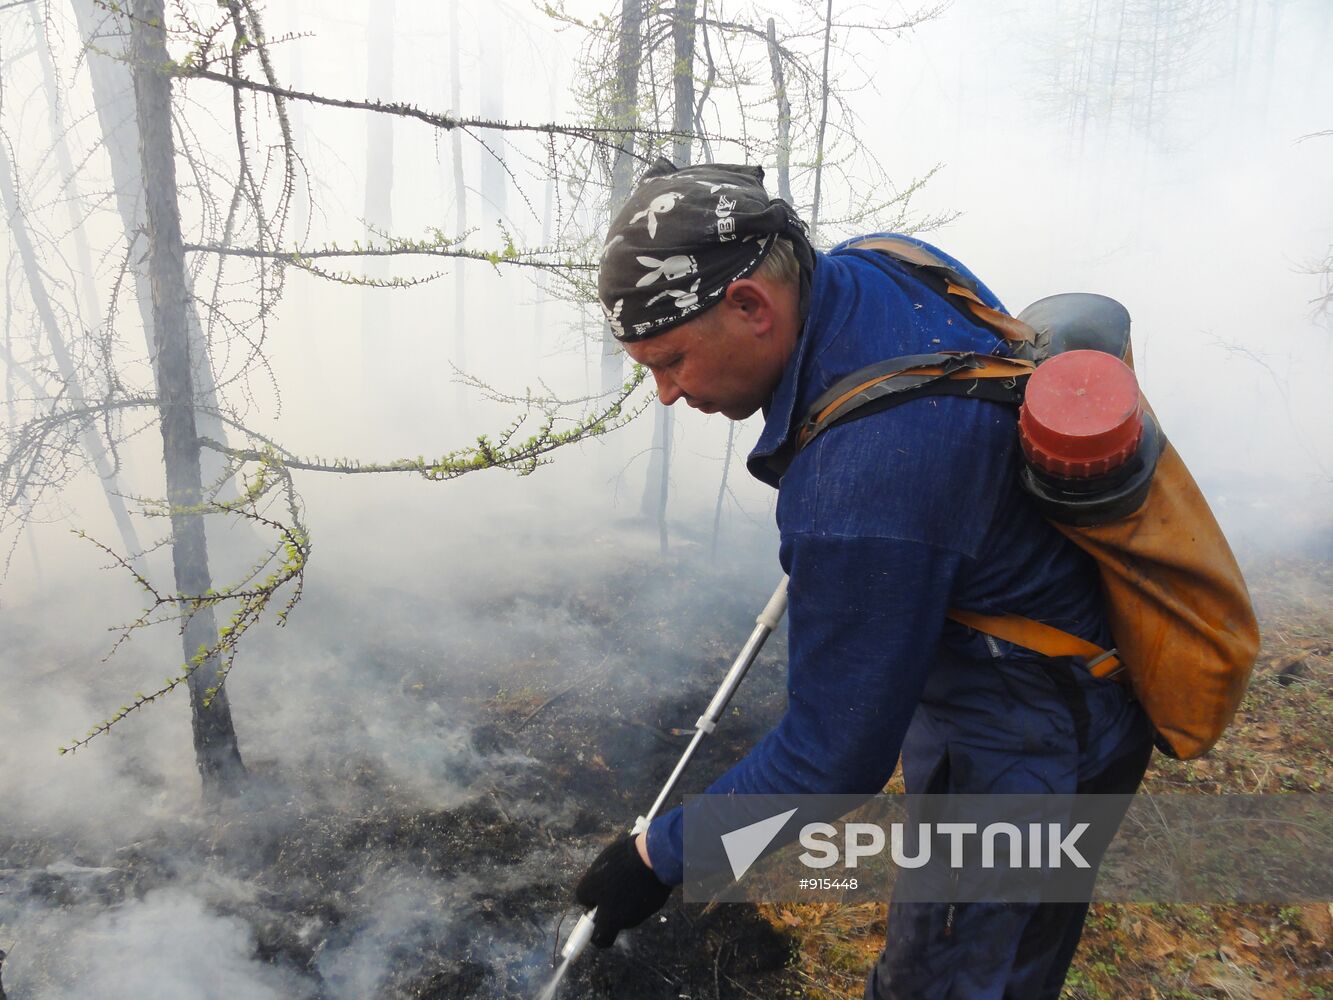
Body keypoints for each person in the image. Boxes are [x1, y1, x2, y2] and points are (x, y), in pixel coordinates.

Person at [574, 158, 1154, 998]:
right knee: (960, 944)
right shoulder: (878, 262)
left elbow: (831, 761)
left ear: (750, 305)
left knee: (967, 973)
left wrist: (656, 859)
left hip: (1035, 735)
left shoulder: (862, 487)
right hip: (996, 666)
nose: (664, 393)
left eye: (669, 360)